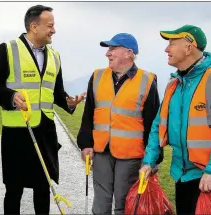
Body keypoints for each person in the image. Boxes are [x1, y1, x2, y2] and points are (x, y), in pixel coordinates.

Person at [0, 5, 85, 214]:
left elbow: (56, 92)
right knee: (14, 189)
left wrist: (69, 102)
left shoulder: (55, 56)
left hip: (45, 132)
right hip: (17, 131)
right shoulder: (8, 49)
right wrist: (11, 97)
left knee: (44, 187)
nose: (54, 30)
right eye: (50, 26)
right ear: (34, 26)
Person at [139, 24, 211, 215]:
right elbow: (158, 126)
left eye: (172, 43)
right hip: (181, 174)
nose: (166, 49)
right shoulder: (174, 84)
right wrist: (149, 161)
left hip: (207, 175)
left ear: (189, 47)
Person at [76, 33, 163, 215]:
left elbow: (154, 124)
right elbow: (88, 113)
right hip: (101, 152)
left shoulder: (147, 81)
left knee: (124, 204)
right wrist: (85, 144)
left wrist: (152, 159)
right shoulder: (97, 76)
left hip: (130, 156)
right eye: (108, 49)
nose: (108, 53)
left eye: (113, 49)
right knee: (101, 203)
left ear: (128, 53)